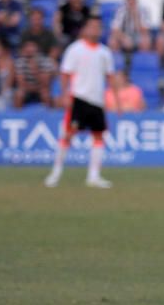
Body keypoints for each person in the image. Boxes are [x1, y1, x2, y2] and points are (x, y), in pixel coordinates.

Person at [45, 16, 119, 189]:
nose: (95, 30)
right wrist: (64, 95)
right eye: (92, 26)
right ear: (85, 29)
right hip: (79, 98)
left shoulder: (104, 52)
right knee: (68, 135)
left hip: (97, 101)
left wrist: (116, 100)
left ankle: (93, 176)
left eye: (98, 27)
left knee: (99, 136)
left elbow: (110, 77)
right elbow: (65, 74)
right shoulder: (75, 50)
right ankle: (55, 173)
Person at [13, 39, 56, 108]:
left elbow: (45, 83)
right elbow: (20, 82)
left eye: (32, 46)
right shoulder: (20, 62)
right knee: (19, 94)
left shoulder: (46, 61)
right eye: (27, 46)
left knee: (45, 93)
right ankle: (17, 115)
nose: (30, 49)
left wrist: (35, 69)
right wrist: (31, 88)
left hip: (41, 88)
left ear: (37, 48)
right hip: (26, 88)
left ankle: (49, 115)